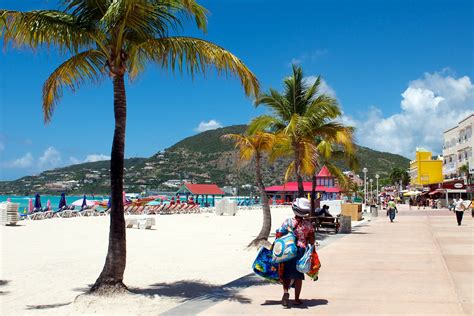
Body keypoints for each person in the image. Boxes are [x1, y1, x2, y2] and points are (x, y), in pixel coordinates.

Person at [275, 198, 315, 307]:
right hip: (301, 250)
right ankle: (296, 299)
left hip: (288, 250)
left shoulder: (287, 222)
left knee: (286, 274)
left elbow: (279, 236)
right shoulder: (308, 224)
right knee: (298, 276)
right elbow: (312, 240)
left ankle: (286, 292)